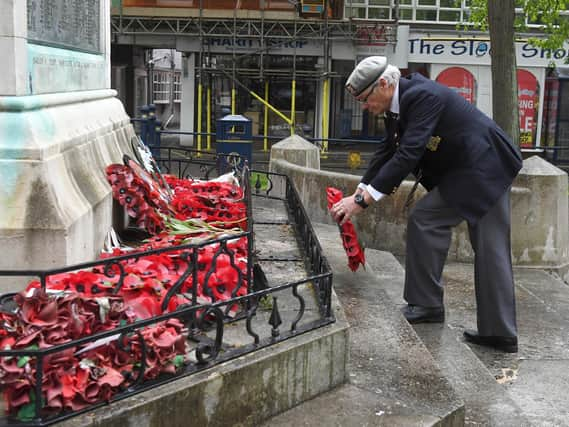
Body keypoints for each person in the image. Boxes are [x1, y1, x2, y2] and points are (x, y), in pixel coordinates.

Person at [330, 56, 523, 353]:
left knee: (437, 223)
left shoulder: (422, 97)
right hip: (468, 170)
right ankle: (490, 328)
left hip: (487, 166)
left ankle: (440, 309)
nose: (364, 107)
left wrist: (363, 201)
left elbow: (408, 154)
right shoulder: (398, 105)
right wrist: (361, 188)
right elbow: (388, 150)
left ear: (383, 84)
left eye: (366, 99)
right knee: (472, 238)